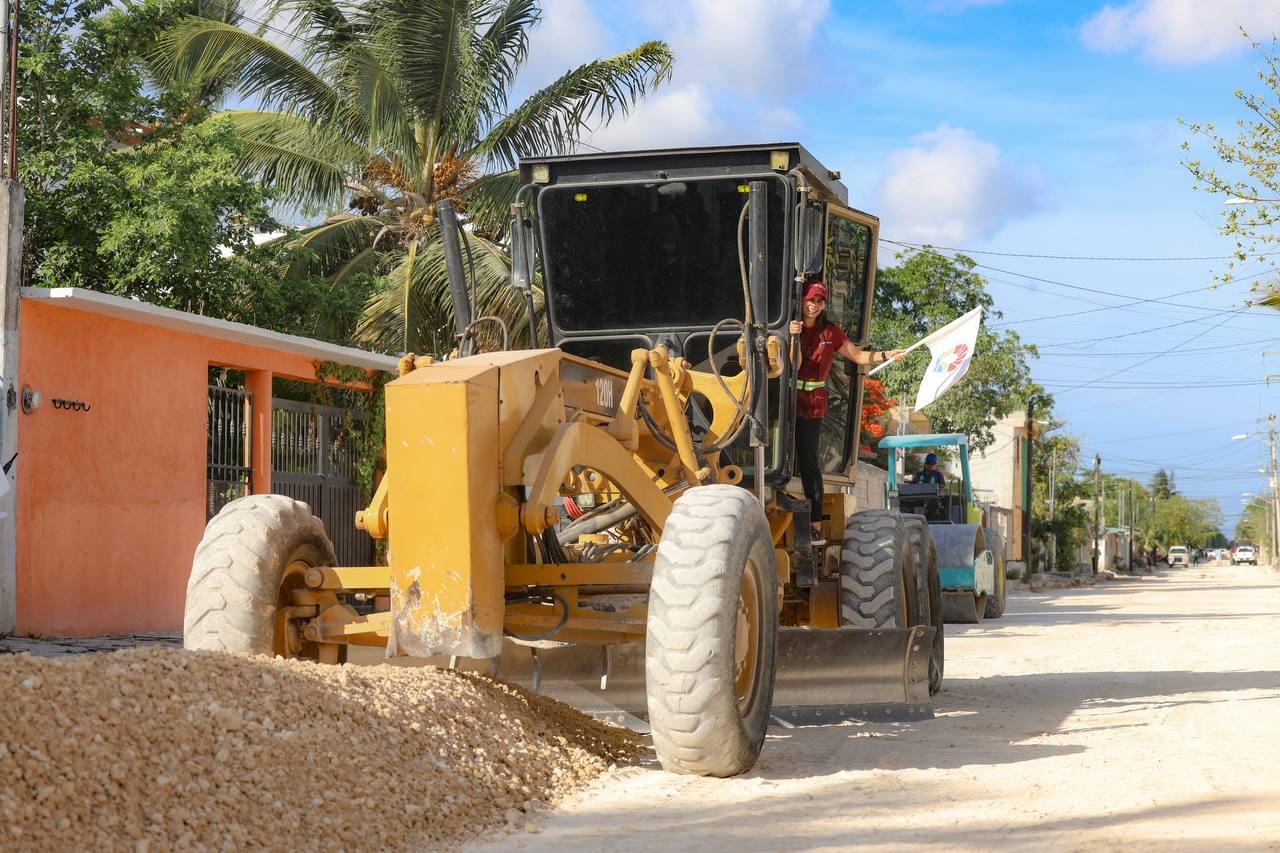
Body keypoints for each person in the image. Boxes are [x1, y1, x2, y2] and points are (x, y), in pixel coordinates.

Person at [790, 281, 905, 546]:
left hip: (812, 404)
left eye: (820, 302)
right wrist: (793, 336)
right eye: (811, 300)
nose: (814, 305)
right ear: (801, 301)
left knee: (809, 462)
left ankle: (815, 526)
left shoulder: (832, 333)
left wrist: (888, 355)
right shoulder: (789, 327)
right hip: (786, 402)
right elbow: (792, 365)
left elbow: (858, 356)